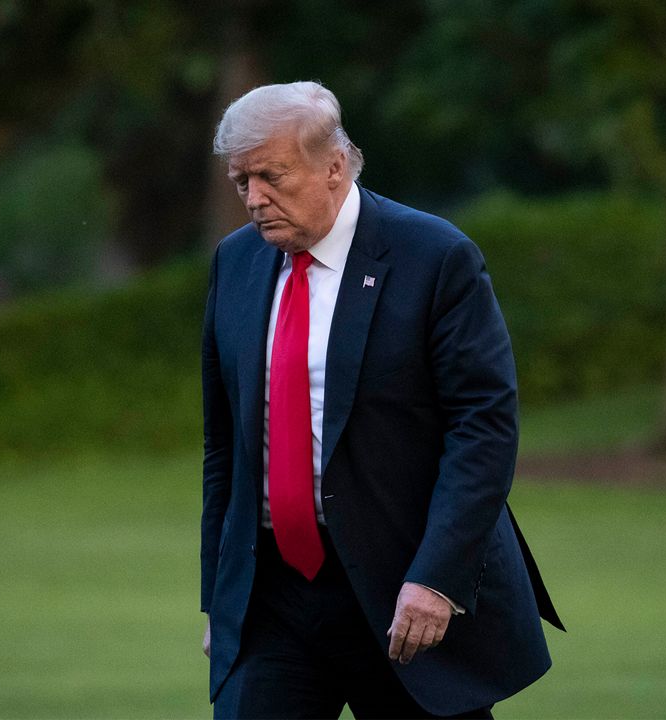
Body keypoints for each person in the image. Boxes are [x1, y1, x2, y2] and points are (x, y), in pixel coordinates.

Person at [200, 81, 564, 719]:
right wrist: (220, 599)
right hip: (273, 598)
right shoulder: (237, 263)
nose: (254, 200)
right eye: (241, 181)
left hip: (402, 593)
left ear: (335, 165)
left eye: (271, 176)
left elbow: (483, 429)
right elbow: (225, 444)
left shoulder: (433, 256)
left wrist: (437, 578)